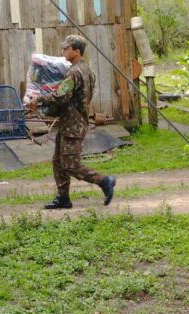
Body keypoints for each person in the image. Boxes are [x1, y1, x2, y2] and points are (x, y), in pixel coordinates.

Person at [28, 35, 116, 209]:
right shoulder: (86, 70)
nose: (63, 51)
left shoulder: (74, 72)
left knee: (70, 164)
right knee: (58, 162)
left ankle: (104, 181)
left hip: (72, 125)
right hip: (72, 122)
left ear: (76, 51)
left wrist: (37, 100)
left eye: (66, 48)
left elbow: (61, 96)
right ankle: (63, 198)